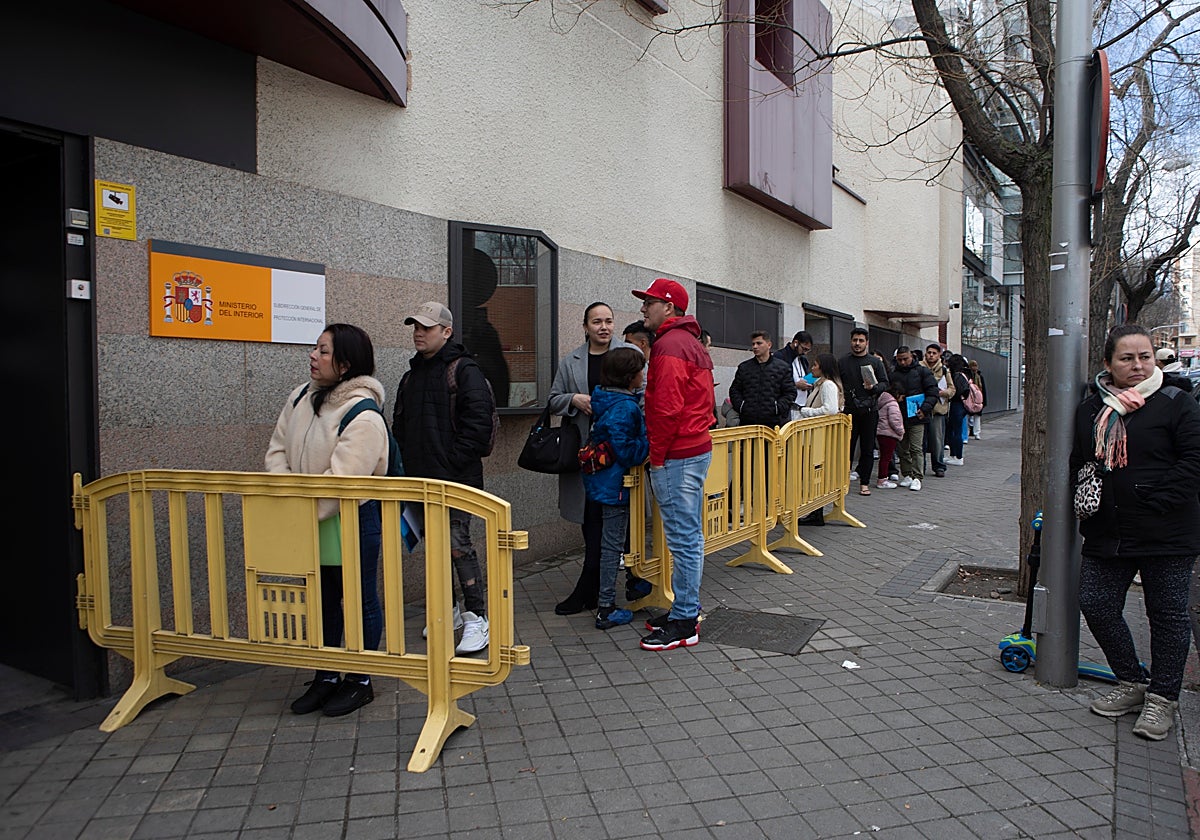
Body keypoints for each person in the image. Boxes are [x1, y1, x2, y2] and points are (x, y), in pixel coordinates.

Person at [1072, 324, 1200, 741]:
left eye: (1144, 356)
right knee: (1096, 602)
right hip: (1108, 530)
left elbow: (1194, 459)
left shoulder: (1177, 402)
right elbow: (1080, 461)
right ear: (1108, 363)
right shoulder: (1091, 409)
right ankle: (1131, 681)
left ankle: (1162, 698)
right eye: (1126, 358)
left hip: (1168, 532)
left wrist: (1156, 500)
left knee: (1167, 616)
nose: (1138, 365)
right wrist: (1084, 498)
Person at [267, 323, 390, 717]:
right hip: (307, 514)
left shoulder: (363, 414)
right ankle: (326, 675)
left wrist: (299, 506)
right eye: (315, 348)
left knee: (358, 600)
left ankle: (360, 680)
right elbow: (276, 451)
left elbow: (343, 481)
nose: (313, 356)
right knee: (323, 600)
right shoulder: (300, 397)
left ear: (345, 364)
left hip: (350, 517)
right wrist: (291, 500)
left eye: (323, 351)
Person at [392, 301, 496, 655]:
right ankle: (447, 611)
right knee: (435, 549)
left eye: (427, 327)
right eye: (415, 327)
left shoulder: (464, 370)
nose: (418, 333)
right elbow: (400, 427)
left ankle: (477, 618)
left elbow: (478, 427)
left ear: (446, 332)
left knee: (458, 546)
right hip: (420, 481)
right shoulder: (411, 376)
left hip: (456, 481)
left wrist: (450, 464)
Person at [631, 278, 715, 651]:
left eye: (649, 302)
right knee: (687, 537)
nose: (643, 308)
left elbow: (665, 408)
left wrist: (658, 457)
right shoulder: (690, 342)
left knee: (684, 538)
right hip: (692, 448)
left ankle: (684, 622)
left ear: (668, 307)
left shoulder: (669, 345)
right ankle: (684, 610)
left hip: (677, 454)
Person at [548, 302, 633, 615]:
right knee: (591, 521)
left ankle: (601, 588)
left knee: (615, 525)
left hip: (618, 455)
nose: (604, 327)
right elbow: (553, 400)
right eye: (597, 322)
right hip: (586, 456)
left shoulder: (629, 354)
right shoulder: (571, 360)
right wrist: (574, 399)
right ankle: (594, 589)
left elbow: (644, 394)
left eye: (608, 321)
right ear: (585, 326)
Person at [580, 348, 650, 630]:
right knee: (612, 546)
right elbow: (628, 451)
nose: (643, 375)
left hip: (602, 480)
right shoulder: (625, 407)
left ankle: (634, 584)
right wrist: (649, 443)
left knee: (615, 541)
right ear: (629, 376)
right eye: (640, 370)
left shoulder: (604, 397)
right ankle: (606, 608)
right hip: (615, 484)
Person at [839, 327, 889, 496]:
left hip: (869, 410)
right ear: (850, 341)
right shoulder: (843, 362)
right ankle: (843, 481)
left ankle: (864, 483)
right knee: (846, 448)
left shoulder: (875, 362)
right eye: (855, 340)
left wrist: (874, 388)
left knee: (867, 448)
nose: (857, 343)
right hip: (848, 411)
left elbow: (885, 383)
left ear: (867, 343)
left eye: (861, 340)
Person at [891, 346, 938, 492]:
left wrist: (924, 409)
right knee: (902, 448)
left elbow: (933, 392)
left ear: (911, 356)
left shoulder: (922, 372)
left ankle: (918, 476)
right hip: (900, 415)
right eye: (900, 360)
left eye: (905, 359)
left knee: (916, 448)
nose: (903, 362)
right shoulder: (893, 373)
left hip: (918, 415)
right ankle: (907, 474)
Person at [728, 330, 794, 428]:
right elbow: (734, 390)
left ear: (769, 345)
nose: (755, 347)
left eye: (759, 343)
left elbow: (790, 393)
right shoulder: (744, 367)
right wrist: (742, 407)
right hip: (748, 422)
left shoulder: (782, 368)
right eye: (753, 344)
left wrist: (777, 408)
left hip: (774, 424)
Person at [921, 344, 954, 477]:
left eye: (934, 353)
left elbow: (952, 389)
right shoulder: (919, 368)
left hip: (938, 410)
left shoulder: (944, 370)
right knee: (920, 441)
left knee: (937, 440)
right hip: (922, 408)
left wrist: (942, 392)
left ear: (939, 355)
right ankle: (920, 467)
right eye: (929, 352)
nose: (931, 355)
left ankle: (939, 466)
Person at [874, 379, 906, 489]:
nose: (902, 400)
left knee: (883, 457)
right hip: (889, 434)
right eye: (902, 397)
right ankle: (882, 480)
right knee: (886, 458)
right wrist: (901, 431)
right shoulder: (892, 404)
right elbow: (895, 420)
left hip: (881, 432)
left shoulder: (883, 401)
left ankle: (883, 478)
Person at [774, 330, 815, 416]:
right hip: (788, 407)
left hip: (802, 406)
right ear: (796, 343)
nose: (805, 352)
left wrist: (809, 382)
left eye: (807, 350)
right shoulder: (780, 356)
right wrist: (795, 385)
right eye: (804, 349)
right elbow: (775, 381)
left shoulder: (803, 359)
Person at [944, 353, 972, 466]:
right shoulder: (965, 374)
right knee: (954, 430)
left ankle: (958, 456)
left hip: (957, 405)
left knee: (955, 431)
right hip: (961, 405)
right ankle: (954, 455)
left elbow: (958, 391)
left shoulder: (957, 375)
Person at [967, 359, 987, 439]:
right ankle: (975, 433)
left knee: (975, 416)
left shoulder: (978, 377)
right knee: (973, 416)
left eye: (975, 366)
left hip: (977, 398)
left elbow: (983, 389)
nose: (974, 368)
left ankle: (975, 432)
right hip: (973, 398)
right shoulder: (974, 376)